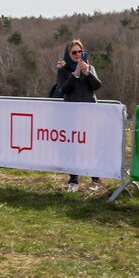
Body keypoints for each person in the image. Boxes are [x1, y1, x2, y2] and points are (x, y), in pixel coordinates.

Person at [54, 39, 102, 192]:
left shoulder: (90, 68)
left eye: (79, 52)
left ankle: (95, 178)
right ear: (68, 54)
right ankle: (73, 180)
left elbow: (97, 86)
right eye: (74, 52)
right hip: (72, 112)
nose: (77, 55)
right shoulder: (63, 71)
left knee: (91, 145)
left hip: (90, 111)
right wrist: (74, 75)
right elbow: (63, 90)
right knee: (73, 146)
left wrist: (87, 73)